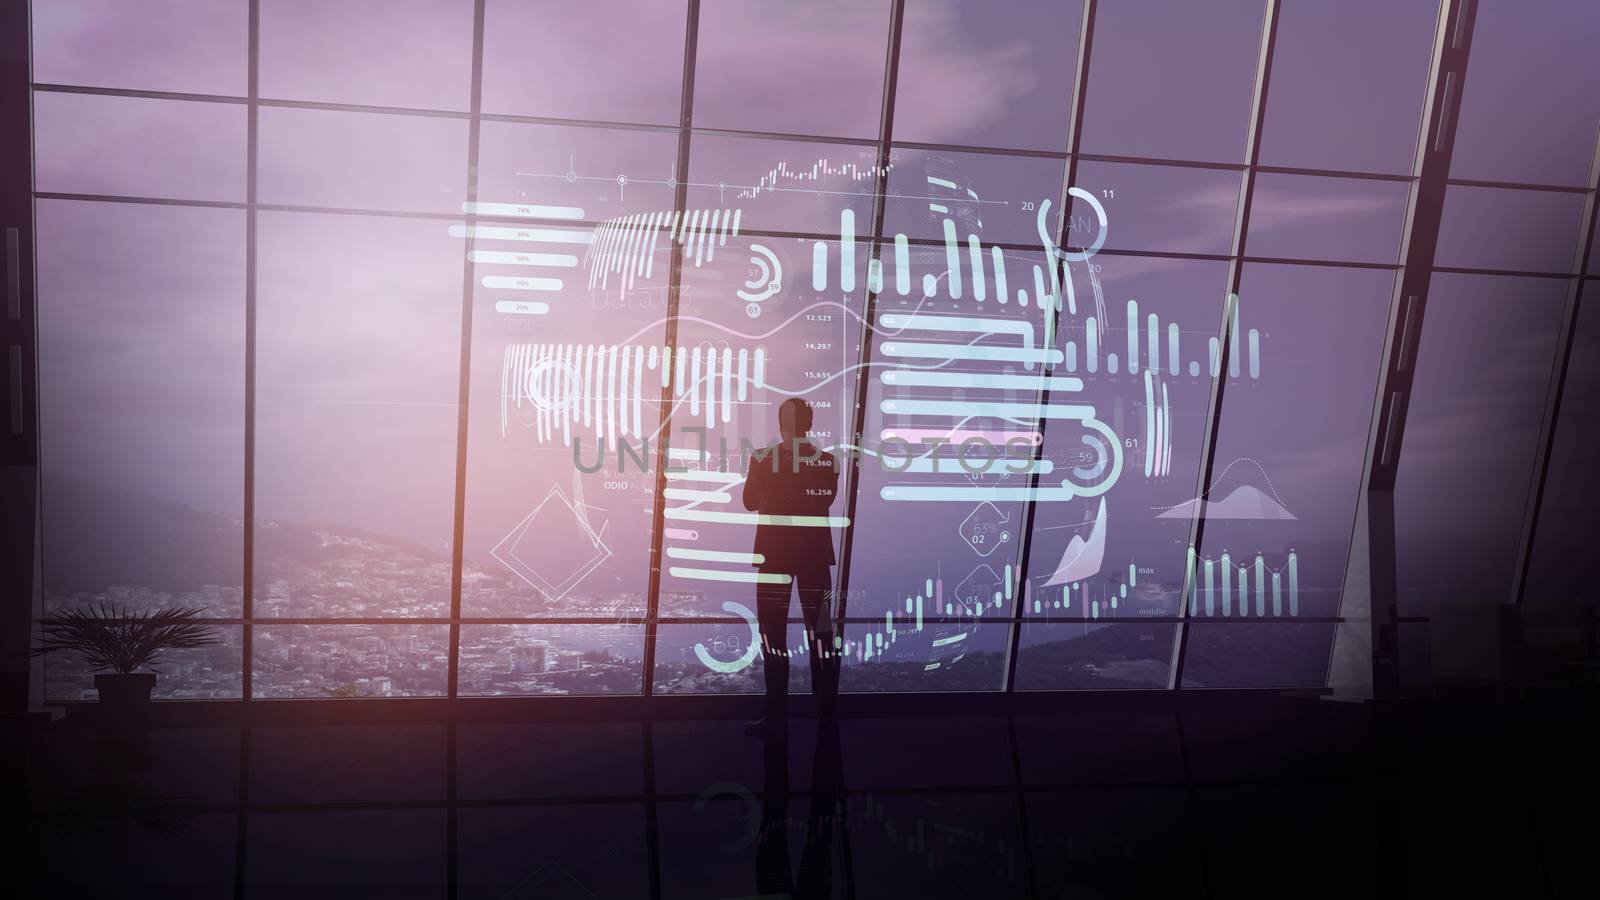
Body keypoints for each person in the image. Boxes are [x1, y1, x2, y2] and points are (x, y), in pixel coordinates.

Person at [741, 397, 842, 734]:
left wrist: (775, 488)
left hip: (775, 555)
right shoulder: (826, 461)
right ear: (808, 424)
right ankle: (824, 716)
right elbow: (820, 499)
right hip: (812, 556)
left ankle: (777, 717)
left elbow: (751, 501)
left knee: (774, 636)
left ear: (780, 424)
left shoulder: (763, 459)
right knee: (820, 636)